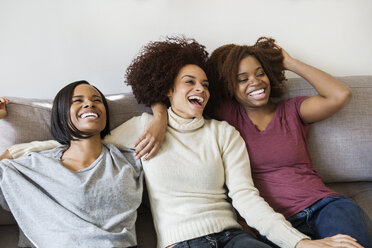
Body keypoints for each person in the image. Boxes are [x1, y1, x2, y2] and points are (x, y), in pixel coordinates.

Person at [5, 37, 365, 248]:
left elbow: (246, 197)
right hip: (181, 243)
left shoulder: (224, 133)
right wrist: (22, 149)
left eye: (206, 84)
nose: (201, 89)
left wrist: (301, 244)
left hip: (232, 235)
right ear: (167, 89)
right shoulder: (140, 128)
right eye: (190, 82)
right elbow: (83, 145)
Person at [205, 37, 371, 247]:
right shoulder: (227, 114)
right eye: (242, 79)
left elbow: (340, 95)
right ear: (229, 85)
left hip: (325, 206)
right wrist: (158, 116)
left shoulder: (292, 110)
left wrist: (289, 62)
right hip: (275, 223)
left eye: (260, 73)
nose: (255, 82)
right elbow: (180, 92)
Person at [0, 81, 143, 247]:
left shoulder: (130, 158)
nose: (90, 103)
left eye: (97, 100)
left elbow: (165, 118)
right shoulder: (35, 165)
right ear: (61, 117)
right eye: (77, 101)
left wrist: (160, 115)